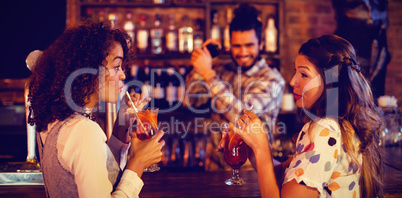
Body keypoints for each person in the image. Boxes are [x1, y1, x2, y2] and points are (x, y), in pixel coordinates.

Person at [222, 35, 383, 197]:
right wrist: (252, 146)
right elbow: (284, 177)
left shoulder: (324, 130)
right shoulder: (338, 125)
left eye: (304, 75)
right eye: (296, 72)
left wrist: (261, 147)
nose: (292, 82)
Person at [28, 21, 165, 197]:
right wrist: (138, 163)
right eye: (116, 67)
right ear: (89, 72)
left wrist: (121, 126)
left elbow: (101, 173)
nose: (123, 75)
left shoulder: (59, 121)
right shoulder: (83, 131)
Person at [185, 3, 285, 171]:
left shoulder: (272, 80)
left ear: (261, 44)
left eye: (249, 45)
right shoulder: (223, 73)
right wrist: (201, 65)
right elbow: (193, 101)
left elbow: (241, 117)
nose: (243, 52)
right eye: (237, 46)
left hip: (251, 171)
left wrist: (208, 74)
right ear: (230, 44)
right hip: (214, 166)